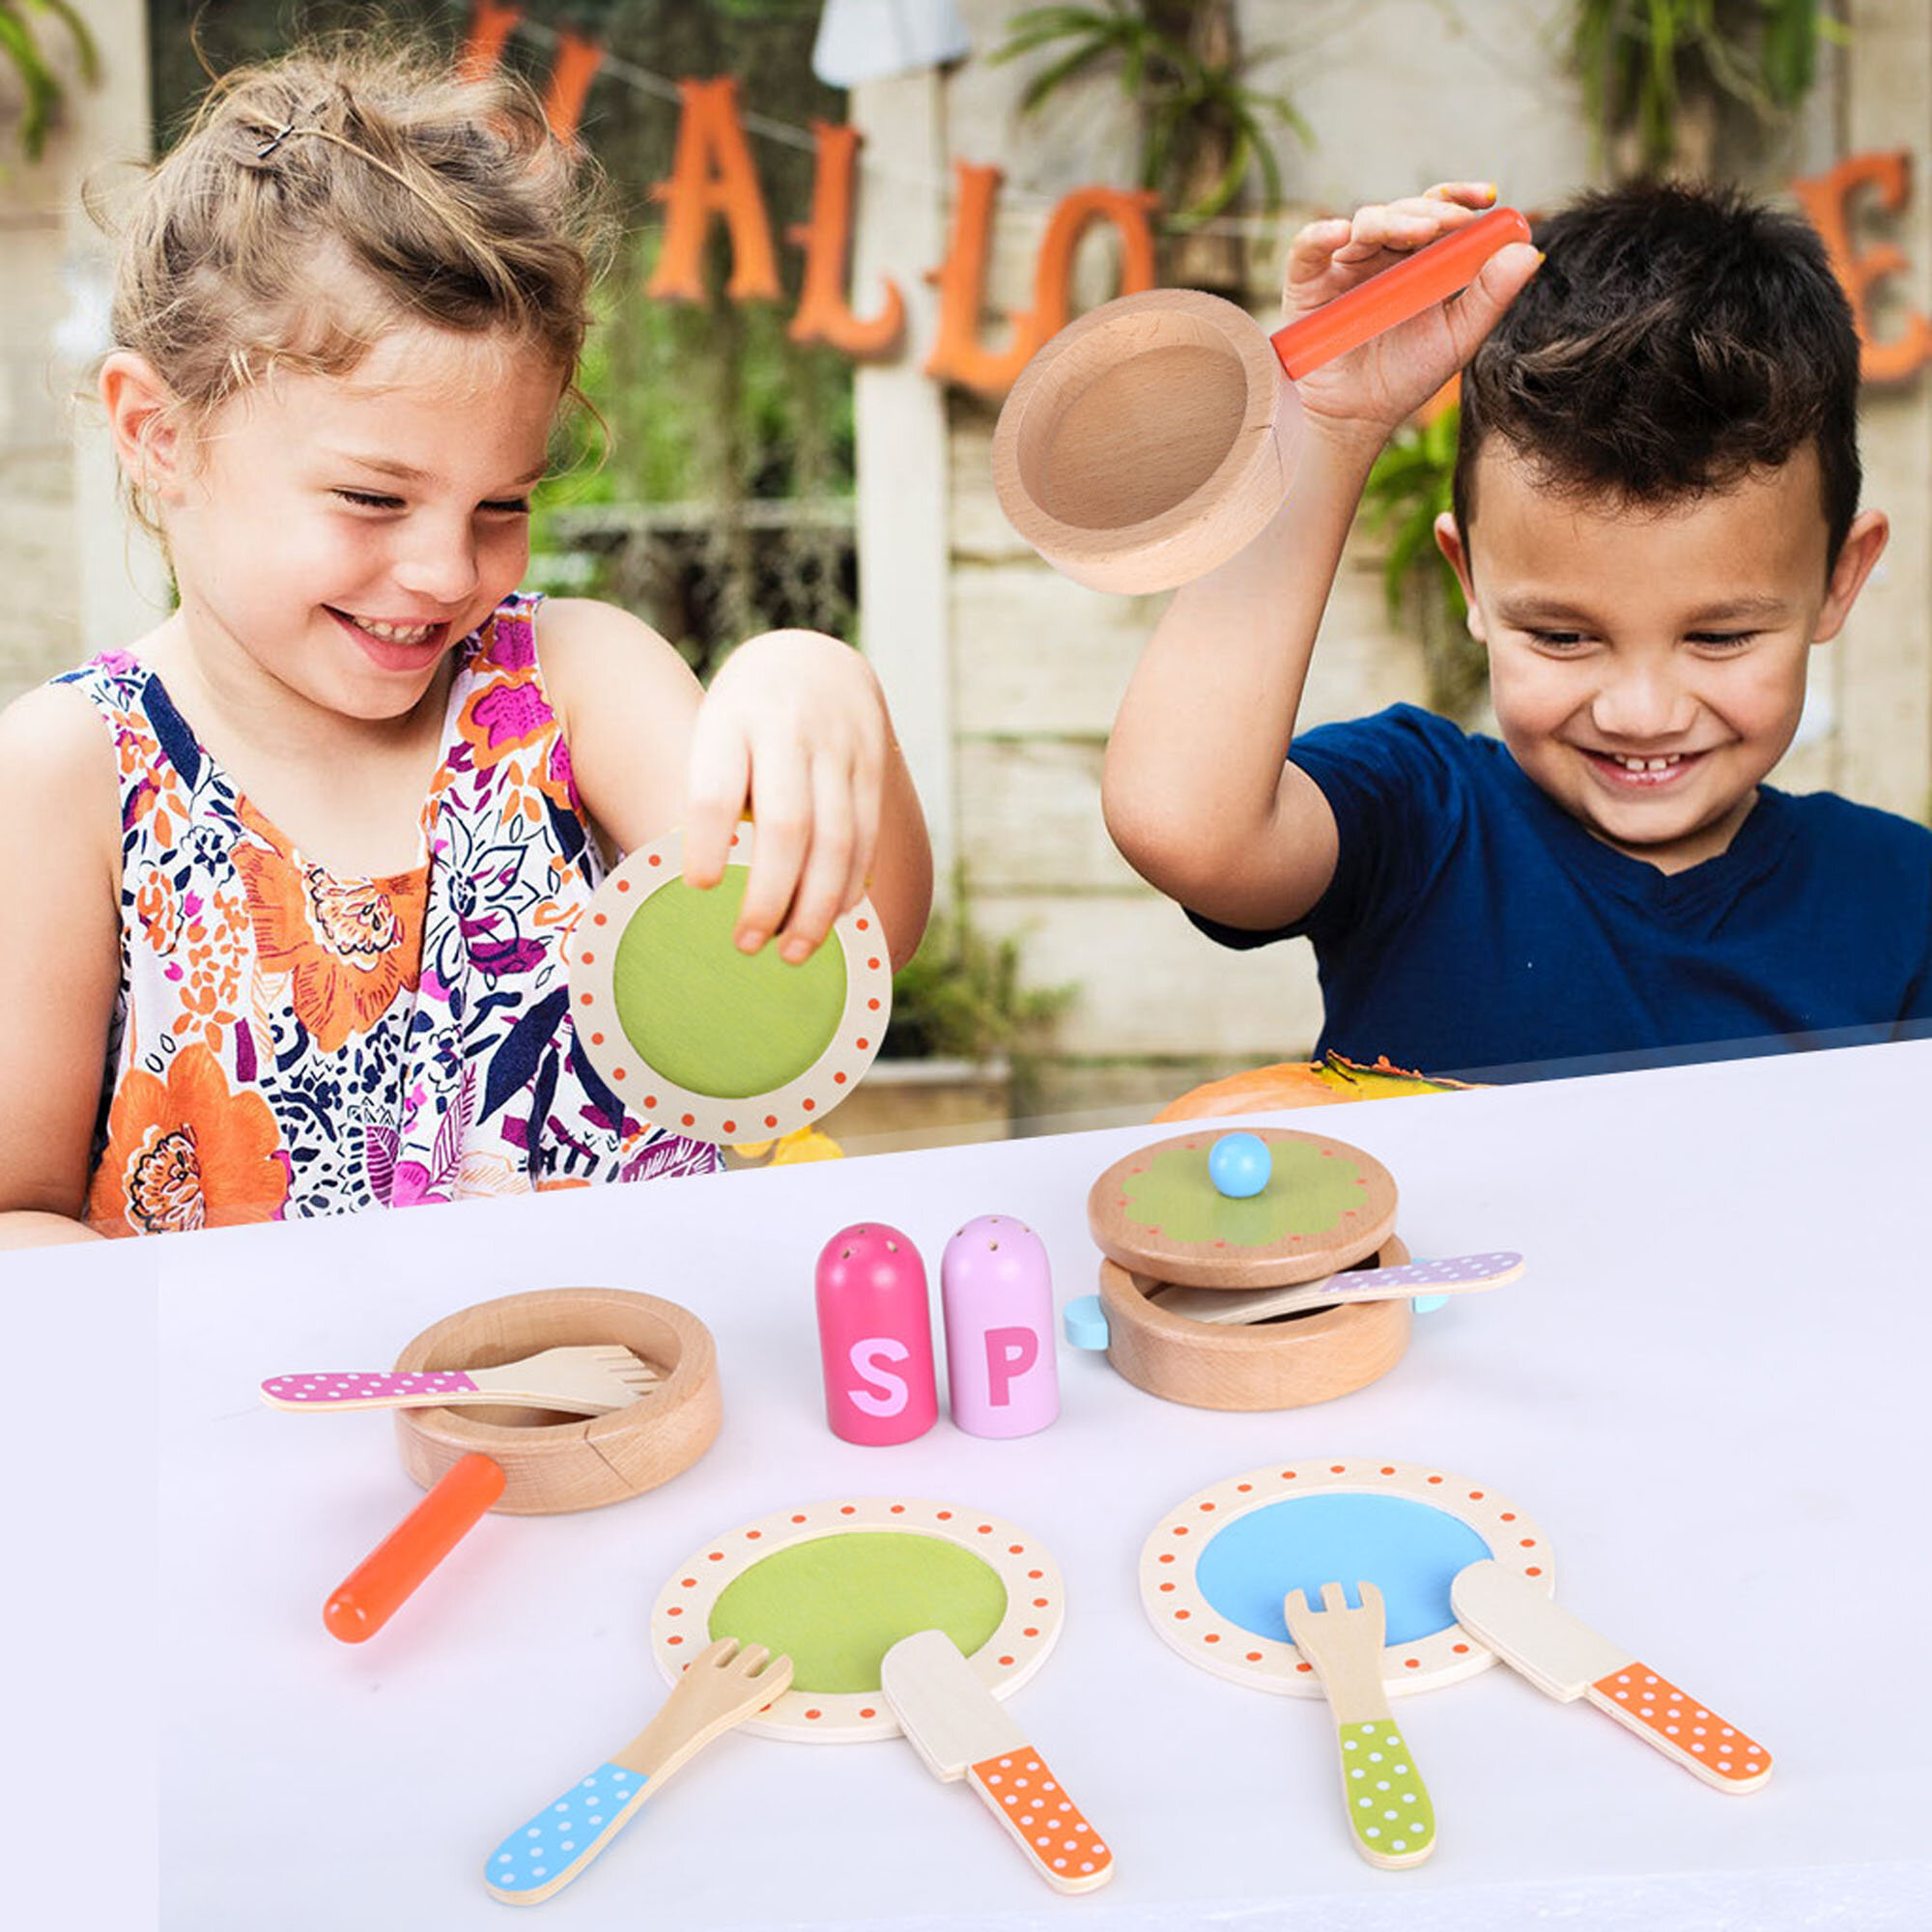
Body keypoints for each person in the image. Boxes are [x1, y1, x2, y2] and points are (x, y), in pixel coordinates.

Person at [0, 41, 931, 1247]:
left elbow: (847, 950)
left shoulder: (572, 685)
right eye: (372, 500)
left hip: (625, 1410)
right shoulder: (67, 777)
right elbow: (15, 1218)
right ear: (158, 435)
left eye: (502, 505)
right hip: (273, 1429)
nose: (448, 573)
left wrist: (817, 680)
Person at [1104, 180, 1932, 1083]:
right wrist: (1330, 428)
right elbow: (1183, 825)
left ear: (1838, 581)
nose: (1640, 712)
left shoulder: (1902, 895)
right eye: (1564, 637)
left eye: (1720, 638)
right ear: (1470, 579)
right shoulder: (1422, 817)